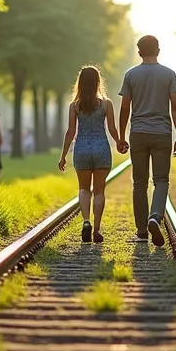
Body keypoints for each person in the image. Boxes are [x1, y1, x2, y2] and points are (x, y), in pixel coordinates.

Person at [118, 35, 176, 247]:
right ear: (158, 50)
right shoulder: (169, 74)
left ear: (139, 52)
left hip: (138, 132)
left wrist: (120, 135)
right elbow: (175, 106)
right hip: (162, 133)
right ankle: (155, 216)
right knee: (161, 179)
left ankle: (142, 230)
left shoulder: (130, 75)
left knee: (139, 182)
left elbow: (125, 107)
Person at [58, 65, 123, 244]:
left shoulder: (74, 106)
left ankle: (86, 221)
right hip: (101, 148)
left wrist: (63, 155)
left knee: (84, 189)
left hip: (82, 149)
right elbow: (111, 128)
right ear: (97, 82)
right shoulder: (106, 104)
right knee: (100, 191)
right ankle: (96, 229)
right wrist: (119, 142)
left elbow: (70, 132)